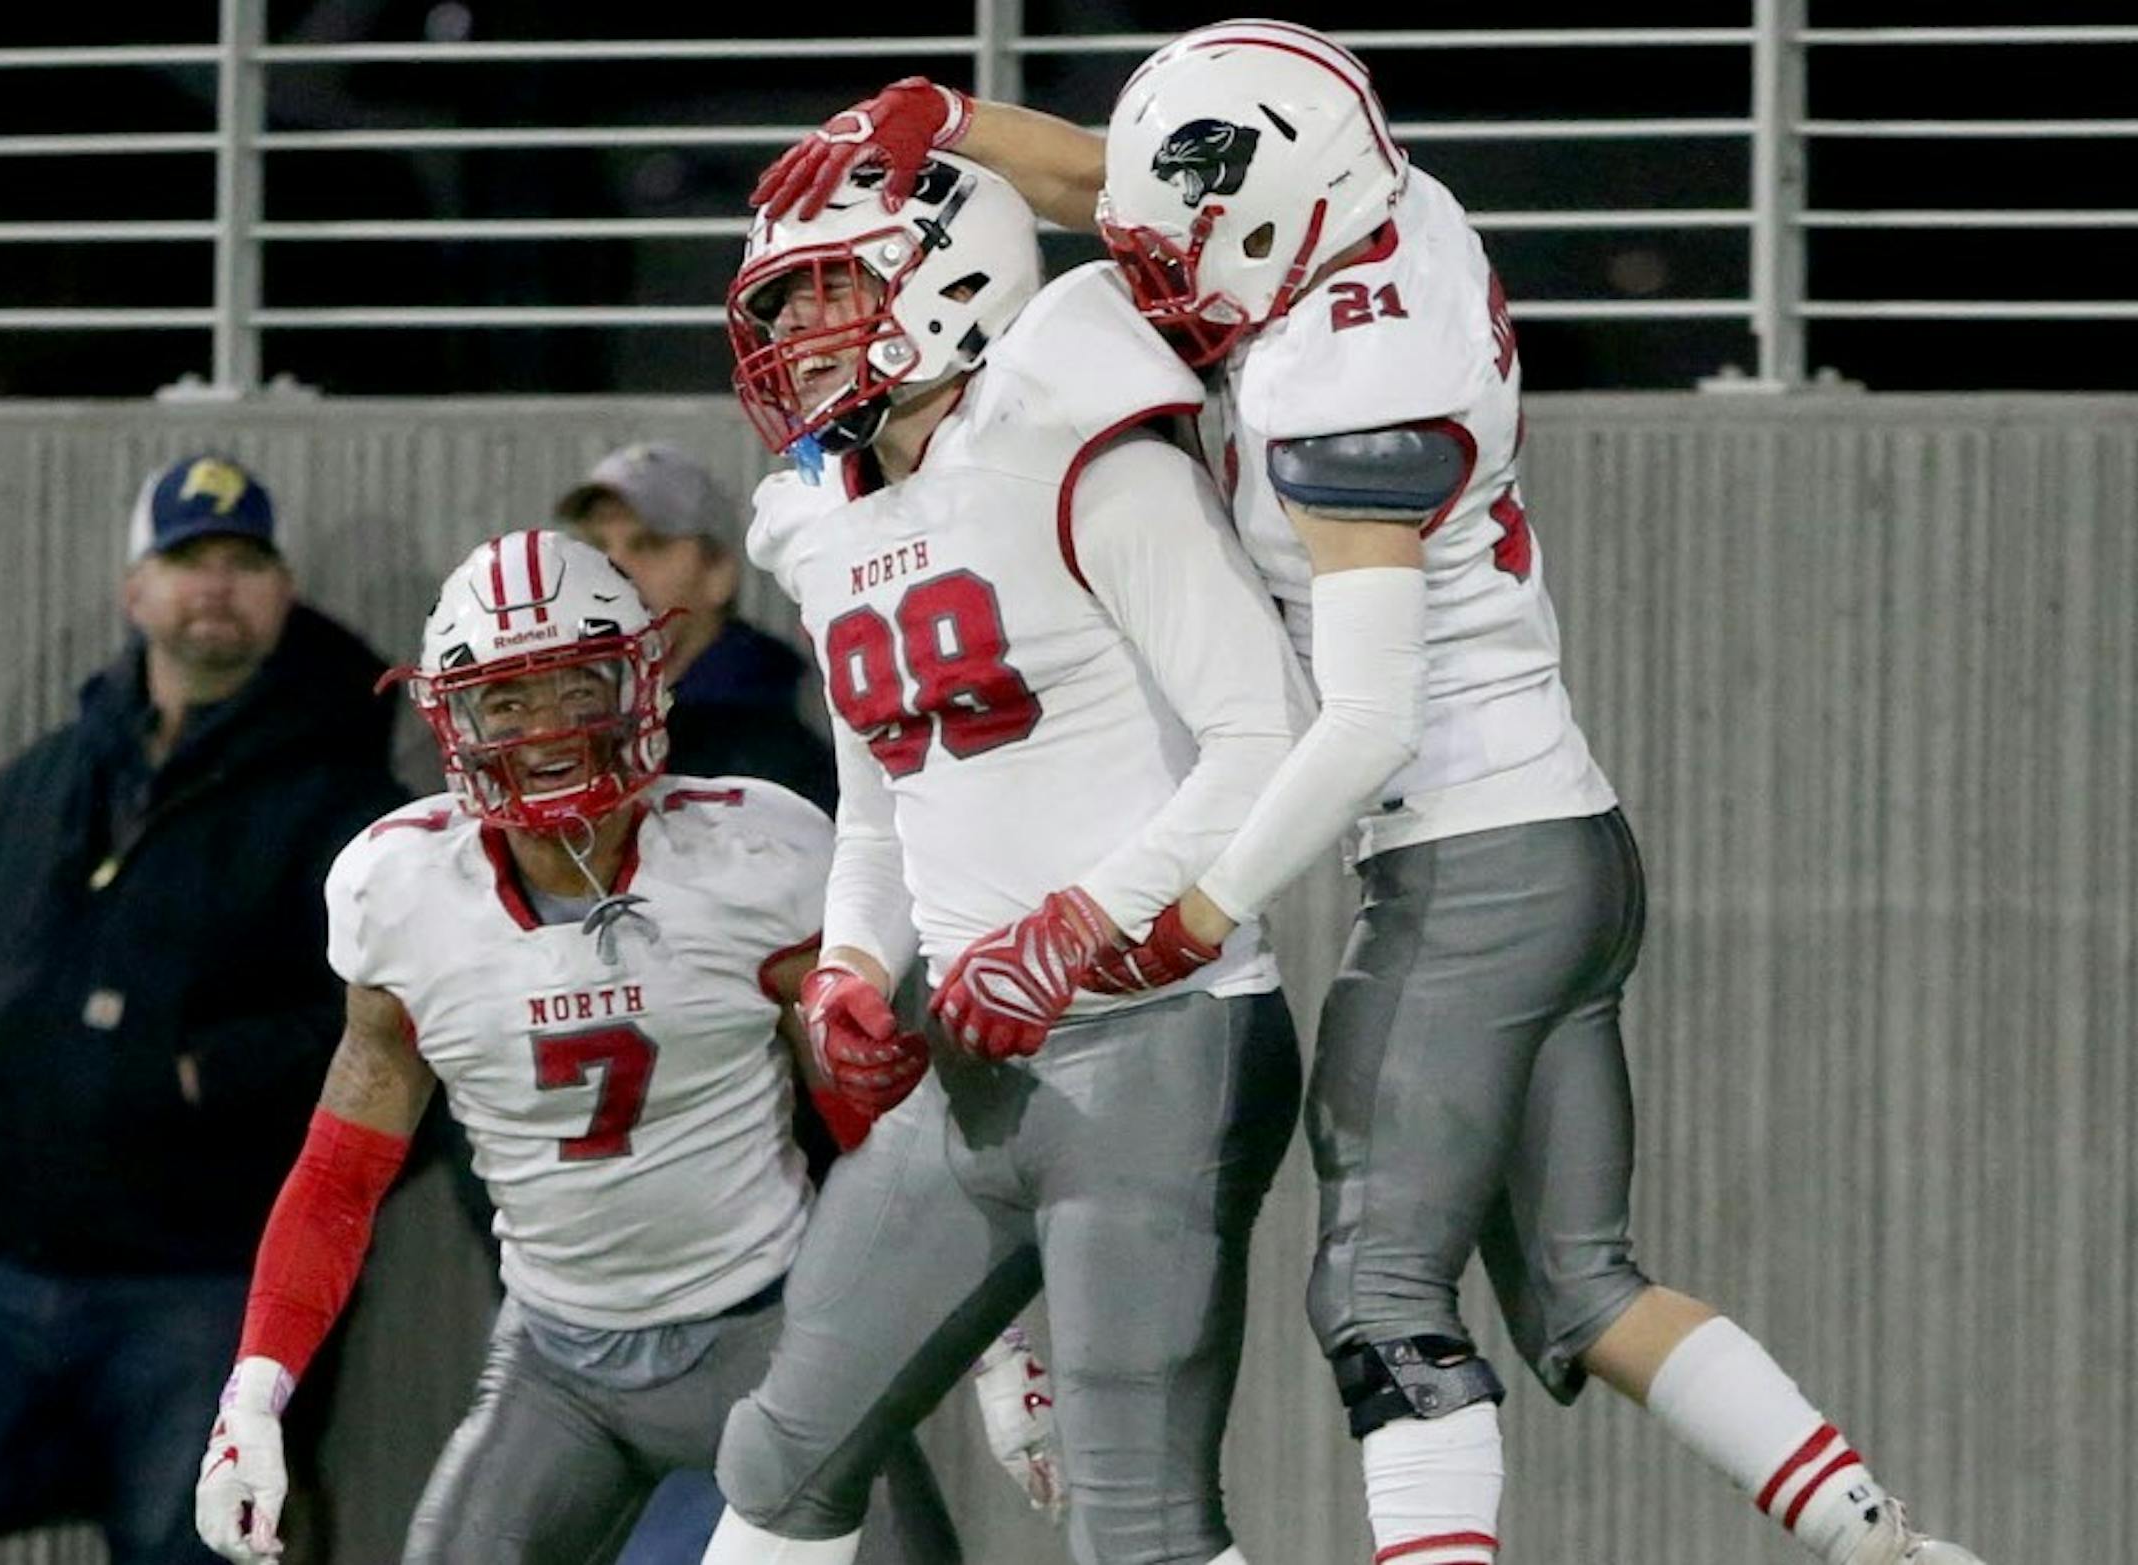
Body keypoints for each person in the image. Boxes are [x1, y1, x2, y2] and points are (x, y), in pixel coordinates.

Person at [755, 25, 1989, 1565]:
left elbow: (1350, 723)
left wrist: (1156, 911)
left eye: (1186, 246)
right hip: (1561, 833)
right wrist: (954, 115)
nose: (1155, 271)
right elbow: (1131, 192)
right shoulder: (1384, 209)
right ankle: (1890, 1546)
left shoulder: (1345, 389)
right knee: (1584, 1287)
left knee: (1381, 1299)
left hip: (1473, 856)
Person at [696, 152, 1309, 1565]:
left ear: (951, 276)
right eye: (780, 307)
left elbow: (1270, 739)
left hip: (1163, 1037)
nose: (793, 338)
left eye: (823, 292)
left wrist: (1078, 924)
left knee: (1139, 1520)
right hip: (976, 1062)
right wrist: (853, 965)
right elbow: (883, 806)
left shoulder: (1085, 454)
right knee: (783, 1454)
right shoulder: (821, 516)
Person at [190, 530, 991, 1565]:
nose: (547, 730)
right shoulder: (400, 889)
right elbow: (343, 1171)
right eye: (509, 700)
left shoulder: (755, 849)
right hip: (557, 1360)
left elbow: (874, 1120)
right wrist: (254, 1392)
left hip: (777, 1332)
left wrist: (994, 1350)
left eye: (576, 686)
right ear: (452, 717)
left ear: (642, 682)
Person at [0, 454, 404, 1565]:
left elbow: (399, 1033)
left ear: (283, 590)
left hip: (207, 1289)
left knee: (205, 1548)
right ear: (135, 591)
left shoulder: (356, 810)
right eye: (187, 559)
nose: (215, 584)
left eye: (243, 561)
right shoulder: (43, 780)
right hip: (3, 1272)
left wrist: (197, 1074)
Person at [559, 441, 837, 812]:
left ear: (718, 572)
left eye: (648, 544)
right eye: (596, 546)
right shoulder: (562, 721)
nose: (613, 568)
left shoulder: (784, 745)